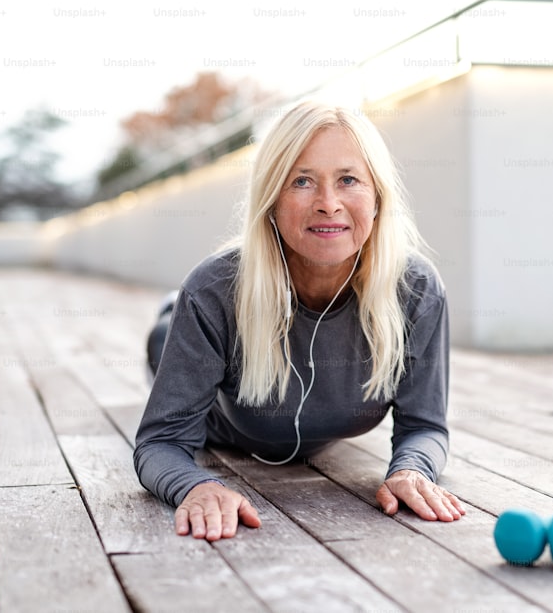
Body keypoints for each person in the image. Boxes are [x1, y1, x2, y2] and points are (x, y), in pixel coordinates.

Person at [134, 100, 465, 541]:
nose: (328, 204)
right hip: (219, 414)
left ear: (378, 197)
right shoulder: (213, 291)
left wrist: (412, 470)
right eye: (302, 181)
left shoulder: (417, 289)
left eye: (348, 180)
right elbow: (160, 441)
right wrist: (197, 486)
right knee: (166, 336)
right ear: (271, 198)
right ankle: (170, 311)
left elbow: (425, 426)